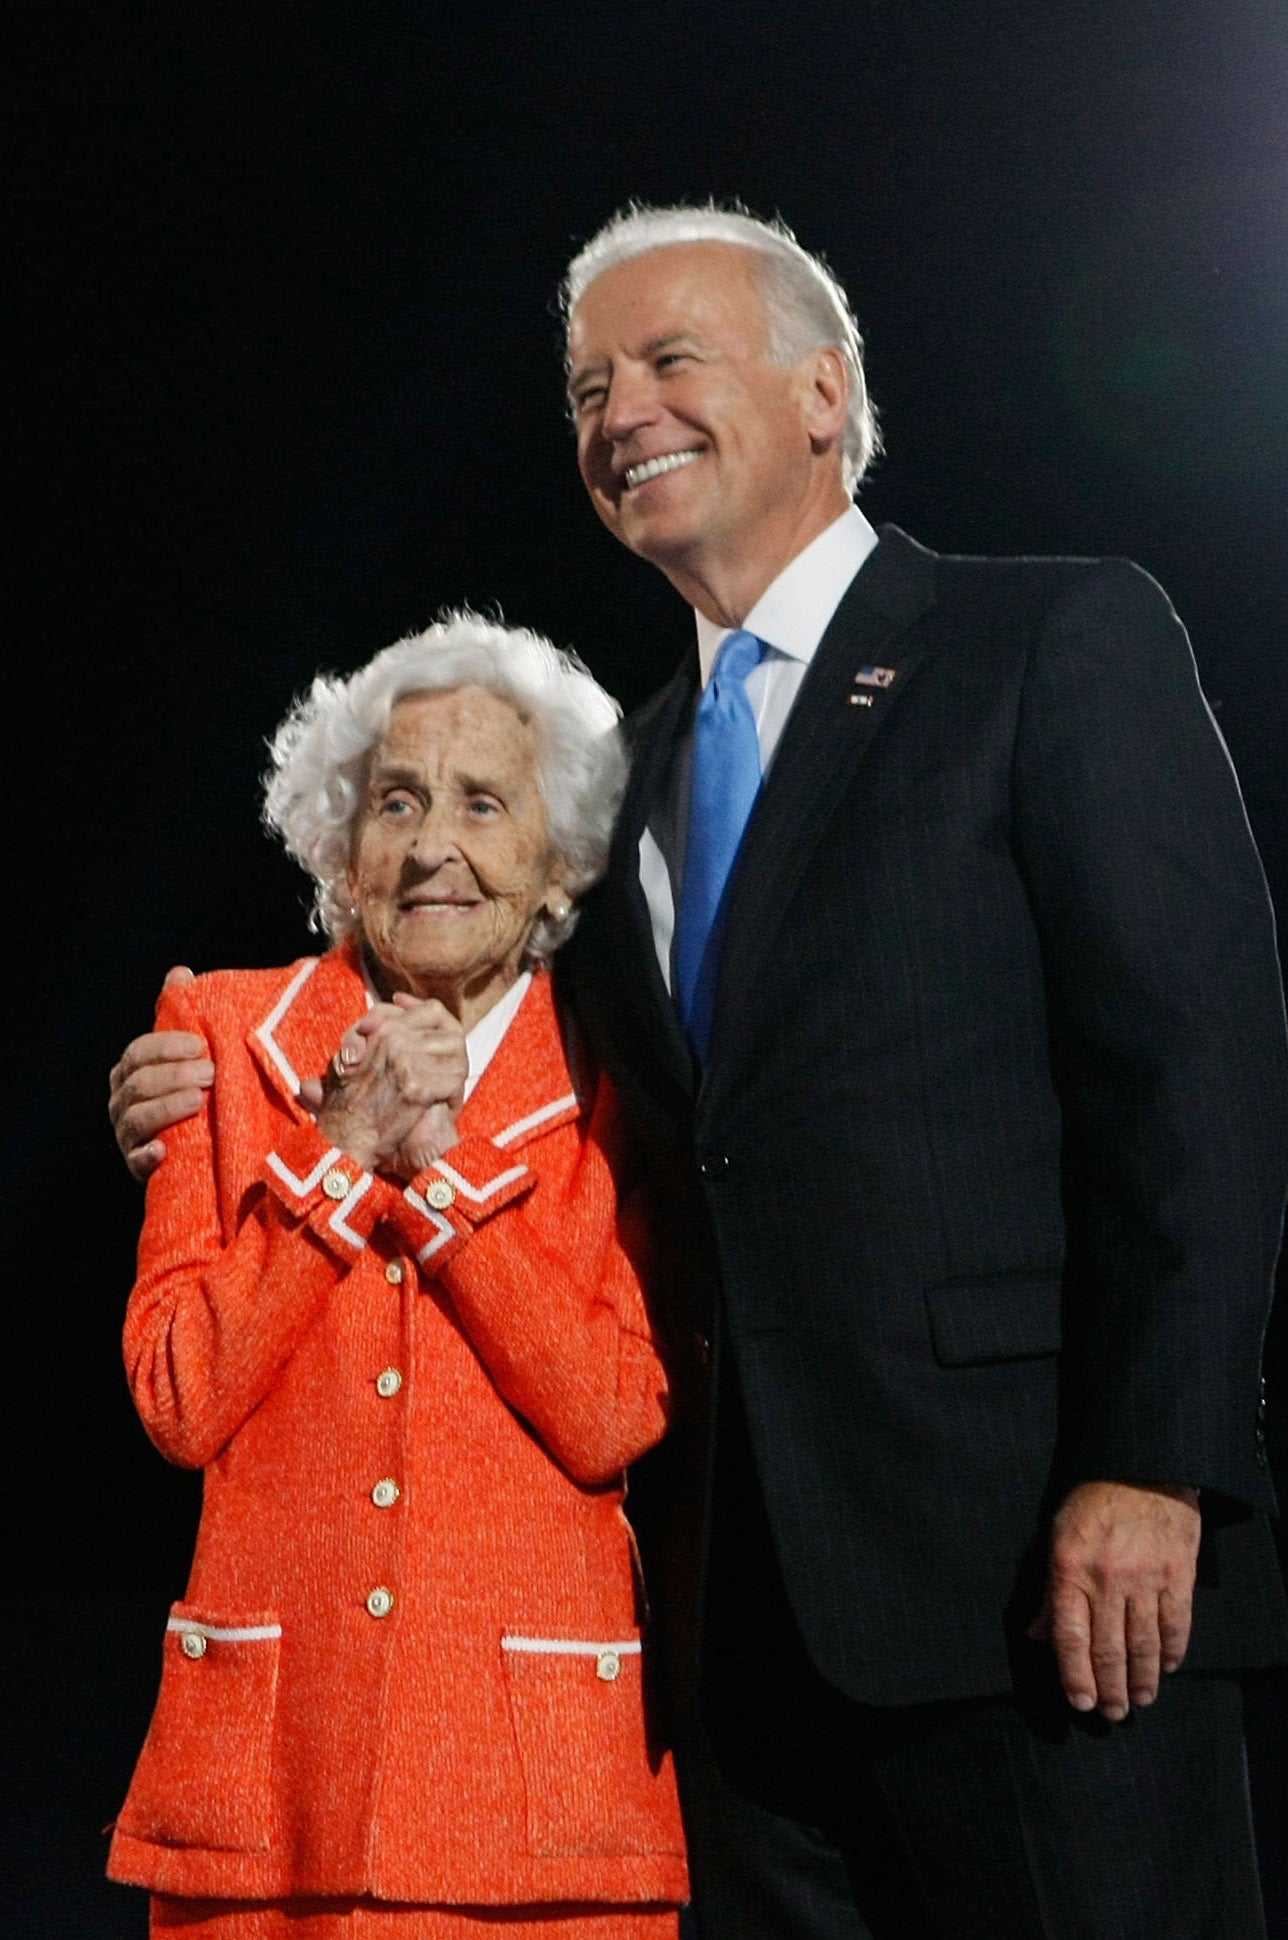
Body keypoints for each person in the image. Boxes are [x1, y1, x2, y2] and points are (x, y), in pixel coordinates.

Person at [112, 205, 1288, 1938]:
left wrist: (1156, 1465)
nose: (620, 411)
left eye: (672, 361)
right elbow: (489, 1018)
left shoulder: (1049, 644)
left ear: (826, 392)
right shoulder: (621, 784)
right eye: (590, 384)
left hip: (1042, 1595)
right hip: (728, 1650)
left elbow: (1198, 1078)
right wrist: (186, 1078)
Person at [106, 612, 688, 1939]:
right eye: (396, 801)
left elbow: (611, 1416)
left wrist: (439, 1167)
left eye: (486, 803)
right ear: (339, 846)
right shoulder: (216, 1033)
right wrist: (342, 1151)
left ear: (557, 867)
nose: (434, 844)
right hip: (266, 1812)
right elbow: (180, 1398)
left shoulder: (626, 1083)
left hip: (541, 1818)